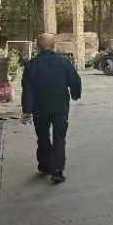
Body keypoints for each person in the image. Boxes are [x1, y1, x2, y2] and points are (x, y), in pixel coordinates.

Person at [21, 33, 82, 184]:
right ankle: (57, 171)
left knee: (42, 136)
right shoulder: (64, 61)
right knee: (59, 137)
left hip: (40, 107)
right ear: (54, 45)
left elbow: (28, 90)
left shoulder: (31, 65)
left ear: (37, 47)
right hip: (60, 106)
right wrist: (75, 94)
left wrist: (27, 110)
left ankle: (45, 165)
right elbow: (75, 80)